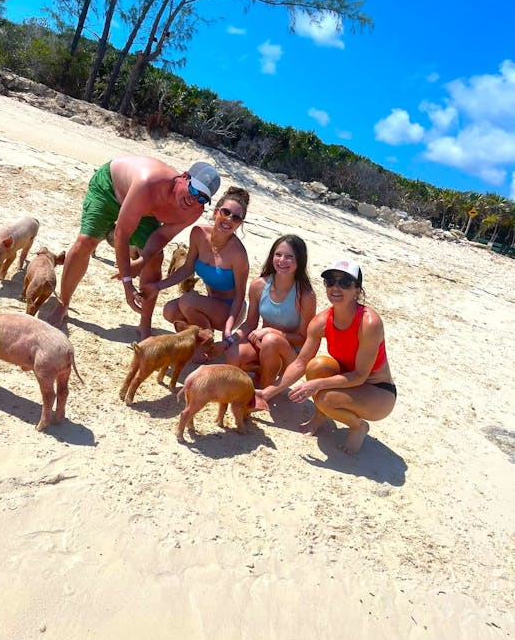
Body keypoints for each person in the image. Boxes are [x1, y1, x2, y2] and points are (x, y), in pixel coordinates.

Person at [47, 156, 220, 339]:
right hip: (111, 189)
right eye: (193, 189)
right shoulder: (149, 182)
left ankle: (144, 323)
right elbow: (122, 234)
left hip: (145, 210)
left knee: (155, 259)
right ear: (184, 177)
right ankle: (62, 304)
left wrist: (141, 261)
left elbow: (161, 236)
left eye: (202, 197)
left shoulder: (193, 210)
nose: (193, 199)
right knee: (86, 242)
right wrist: (128, 283)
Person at [258, 258, 396, 454]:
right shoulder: (321, 321)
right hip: (348, 380)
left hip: (378, 391)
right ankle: (320, 417)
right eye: (330, 282)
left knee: (324, 398)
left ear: (357, 290)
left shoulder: (369, 323)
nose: (335, 287)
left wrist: (317, 385)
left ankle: (358, 426)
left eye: (344, 283)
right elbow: (301, 362)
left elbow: (360, 376)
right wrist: (267, 393)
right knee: (316, 365)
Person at [141, 186, 250, 339]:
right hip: (209, 302)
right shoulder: (198, 233)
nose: (229, 219)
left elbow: (240, 296)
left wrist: (228, 329)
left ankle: (205, 342)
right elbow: (187, 268)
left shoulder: (238, 254)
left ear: (239, 224)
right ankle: (199, 338)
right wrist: (157, 286)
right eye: (226, 212)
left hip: (230, 309)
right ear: (215, 212)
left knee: (187, 301)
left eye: (236, 218)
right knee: (170, 311)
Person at [220, 234, 316, 388]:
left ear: (300, 260)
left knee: (271, 340)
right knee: (233, 354)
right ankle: (259, 373)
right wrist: (227, 342)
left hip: (290, 354)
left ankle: (264, 390)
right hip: (262, 344)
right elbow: (250, 323)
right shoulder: (258, 285)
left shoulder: (305, 295)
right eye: (278, 255)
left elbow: (304, 339)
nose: (282, 260)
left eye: (289, 256)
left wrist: (272, 332)